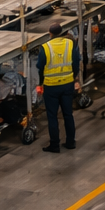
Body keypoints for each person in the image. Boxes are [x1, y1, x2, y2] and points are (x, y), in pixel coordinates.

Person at [35, 22, 80, 152]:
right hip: (67, 84)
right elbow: (76, 63)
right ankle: (70, 142)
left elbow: (40, 67)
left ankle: (54, 145)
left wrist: (41, 83)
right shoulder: (70, 44)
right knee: (68, 114)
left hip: (51, 86)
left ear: (50, 33)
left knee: (52, 116)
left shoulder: (45, 47)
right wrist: (73, 77)